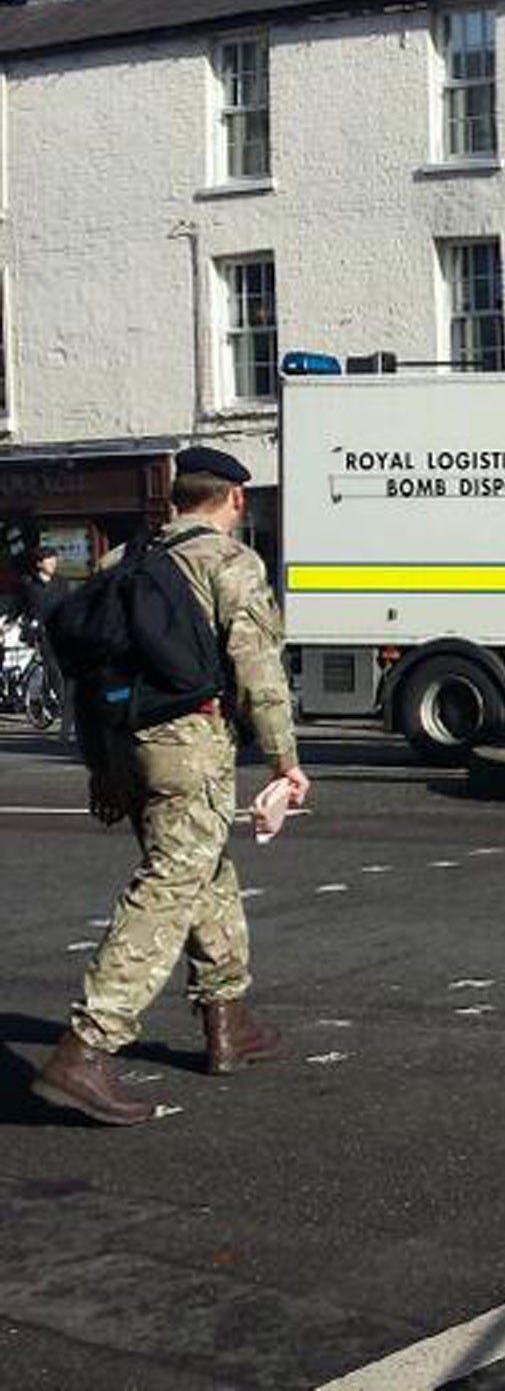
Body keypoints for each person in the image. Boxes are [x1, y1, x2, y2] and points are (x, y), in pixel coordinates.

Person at [32, 447, 310, 1126]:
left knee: (202, 871)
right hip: (190, 742)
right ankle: (87, 1047)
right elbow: (257, 669)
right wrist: (285, 761)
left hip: (128, 743)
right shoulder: (228, 562)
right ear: (235, 501)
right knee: (168, 883)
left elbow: (88, 675)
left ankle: (227, 1018)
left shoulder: (121, 561)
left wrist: (101, 765)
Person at [22, 546, 72, 733]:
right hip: (42, 633)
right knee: (53, 667)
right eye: (49, 560)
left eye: (54, 559)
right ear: (39, 564)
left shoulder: (61, 582)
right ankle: (63, 703)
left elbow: (69, 605)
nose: (53, 563)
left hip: (62, 630)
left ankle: (68, 700)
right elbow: (22, 608)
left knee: (68, 666)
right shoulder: (29, 584)